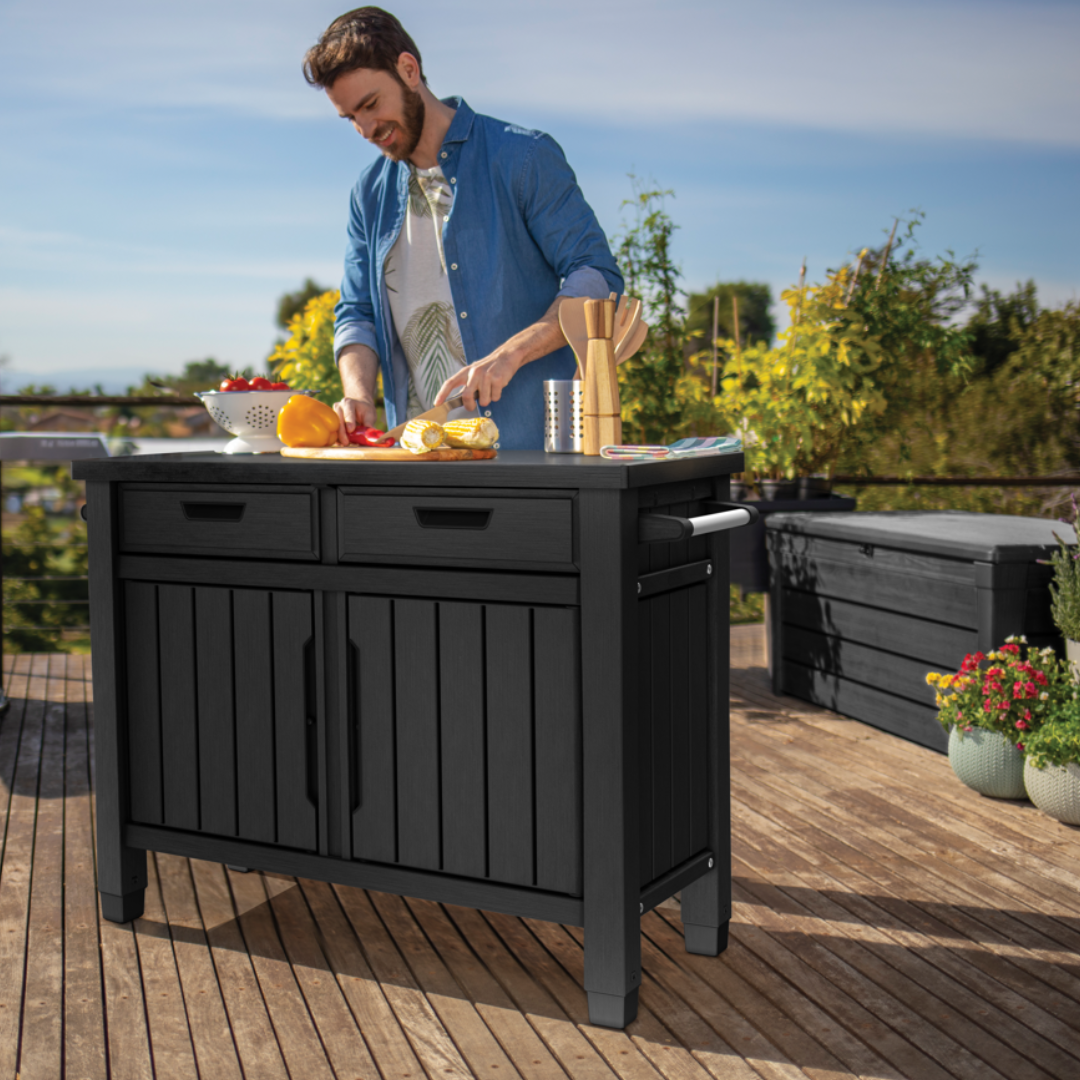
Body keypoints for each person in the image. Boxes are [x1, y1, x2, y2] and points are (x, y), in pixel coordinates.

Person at [303, 7, 623, 449]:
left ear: (409, 70)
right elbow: (357, 313)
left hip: (527, 457)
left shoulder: (522, 158)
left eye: (371, 105)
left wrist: (511, 354)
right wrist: (357, 394)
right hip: (416, 459)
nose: (366, 129)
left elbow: (598, 280)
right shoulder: (369, 193)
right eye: (350, 117)